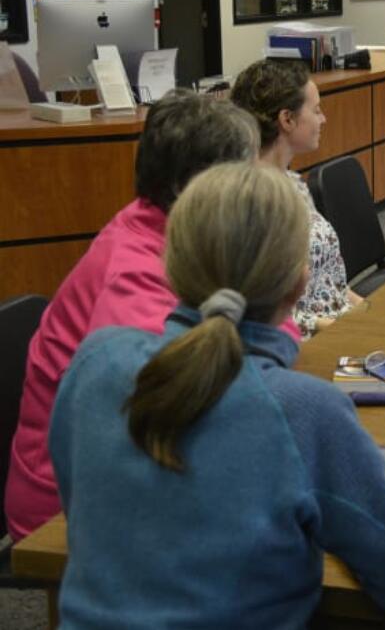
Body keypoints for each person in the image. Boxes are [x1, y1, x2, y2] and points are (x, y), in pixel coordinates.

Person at [49, 163, 385, 626]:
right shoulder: (304, 410)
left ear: (172, 267)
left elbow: (81, 512)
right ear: (302, 283)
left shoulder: (96, 360)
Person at [5, 92, 281, 543]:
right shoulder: (132, 270)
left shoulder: (172, 231)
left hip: (125, 468)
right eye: (246, 173)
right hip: (67, 511)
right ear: (192, 186)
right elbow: (183, 395)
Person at [230, 60, 363, 337]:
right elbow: (264, 313)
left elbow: (331, 279)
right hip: (303, 342)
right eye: (316, 111)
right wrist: (346, 329)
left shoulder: (293, 183)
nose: (323, 119)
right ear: (287, 119)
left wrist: (367, 309)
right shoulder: (252, 201)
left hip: (339, 327)